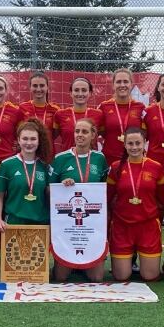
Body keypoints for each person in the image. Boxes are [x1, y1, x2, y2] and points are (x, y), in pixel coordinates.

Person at [50, 118, 109, 282]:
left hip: (91, 224)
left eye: (84, 132)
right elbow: (49, 190)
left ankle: (82, 266)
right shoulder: (60, 158)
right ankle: (72, 265)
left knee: (97, 278)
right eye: (77, 131)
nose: (80, 135)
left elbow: (103, 188)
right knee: (60, 277)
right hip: (68, 225)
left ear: (93, 135)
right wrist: (62, 187)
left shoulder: (100, 158)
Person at [106, 127, 164, 281]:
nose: (134, 147)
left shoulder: (155, 167)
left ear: (145, 143)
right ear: (125, 145)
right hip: (122, 226)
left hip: (148, 226)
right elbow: (108, 196)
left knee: (150, 276)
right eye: (130, 143)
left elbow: (162, 198)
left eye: (138, 143)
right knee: (121, 276)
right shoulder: (115, 167)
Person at [0, 118, 53, 231]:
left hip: (41, 223)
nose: (29, 143)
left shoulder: (45, 166)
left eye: (33, 139)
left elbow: (50, 194)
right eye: (25, 138)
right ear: (18, 140)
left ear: (39, 141)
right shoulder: (7, 164)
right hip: (13, 222)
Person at [98, 68, 145, 165]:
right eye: (118, 82)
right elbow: (100, 131)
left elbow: (145, 133)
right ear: (113, 85)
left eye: (126, 82)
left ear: (131, 84)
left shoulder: (140, 107)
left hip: (134, 159)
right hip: (109, 159)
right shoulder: (103, 106)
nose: (122, 85)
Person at [53, 77, 103, 153]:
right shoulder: (60, 114)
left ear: (90, 93)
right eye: (76, 90)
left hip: (91, 160)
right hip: (67, 161)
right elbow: (52, 136)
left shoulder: (99, 115)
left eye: (84, 90)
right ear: (70, 93)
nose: (80, 94)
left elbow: (105, 135)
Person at [19, 71, 60, 155]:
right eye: (35, 86)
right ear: (30, 87)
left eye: (42, 85)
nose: (38, 89)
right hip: (28, 153)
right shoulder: (22, 108)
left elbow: (55, 134)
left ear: (47, 87)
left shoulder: (55, 110)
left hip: (48, 154)